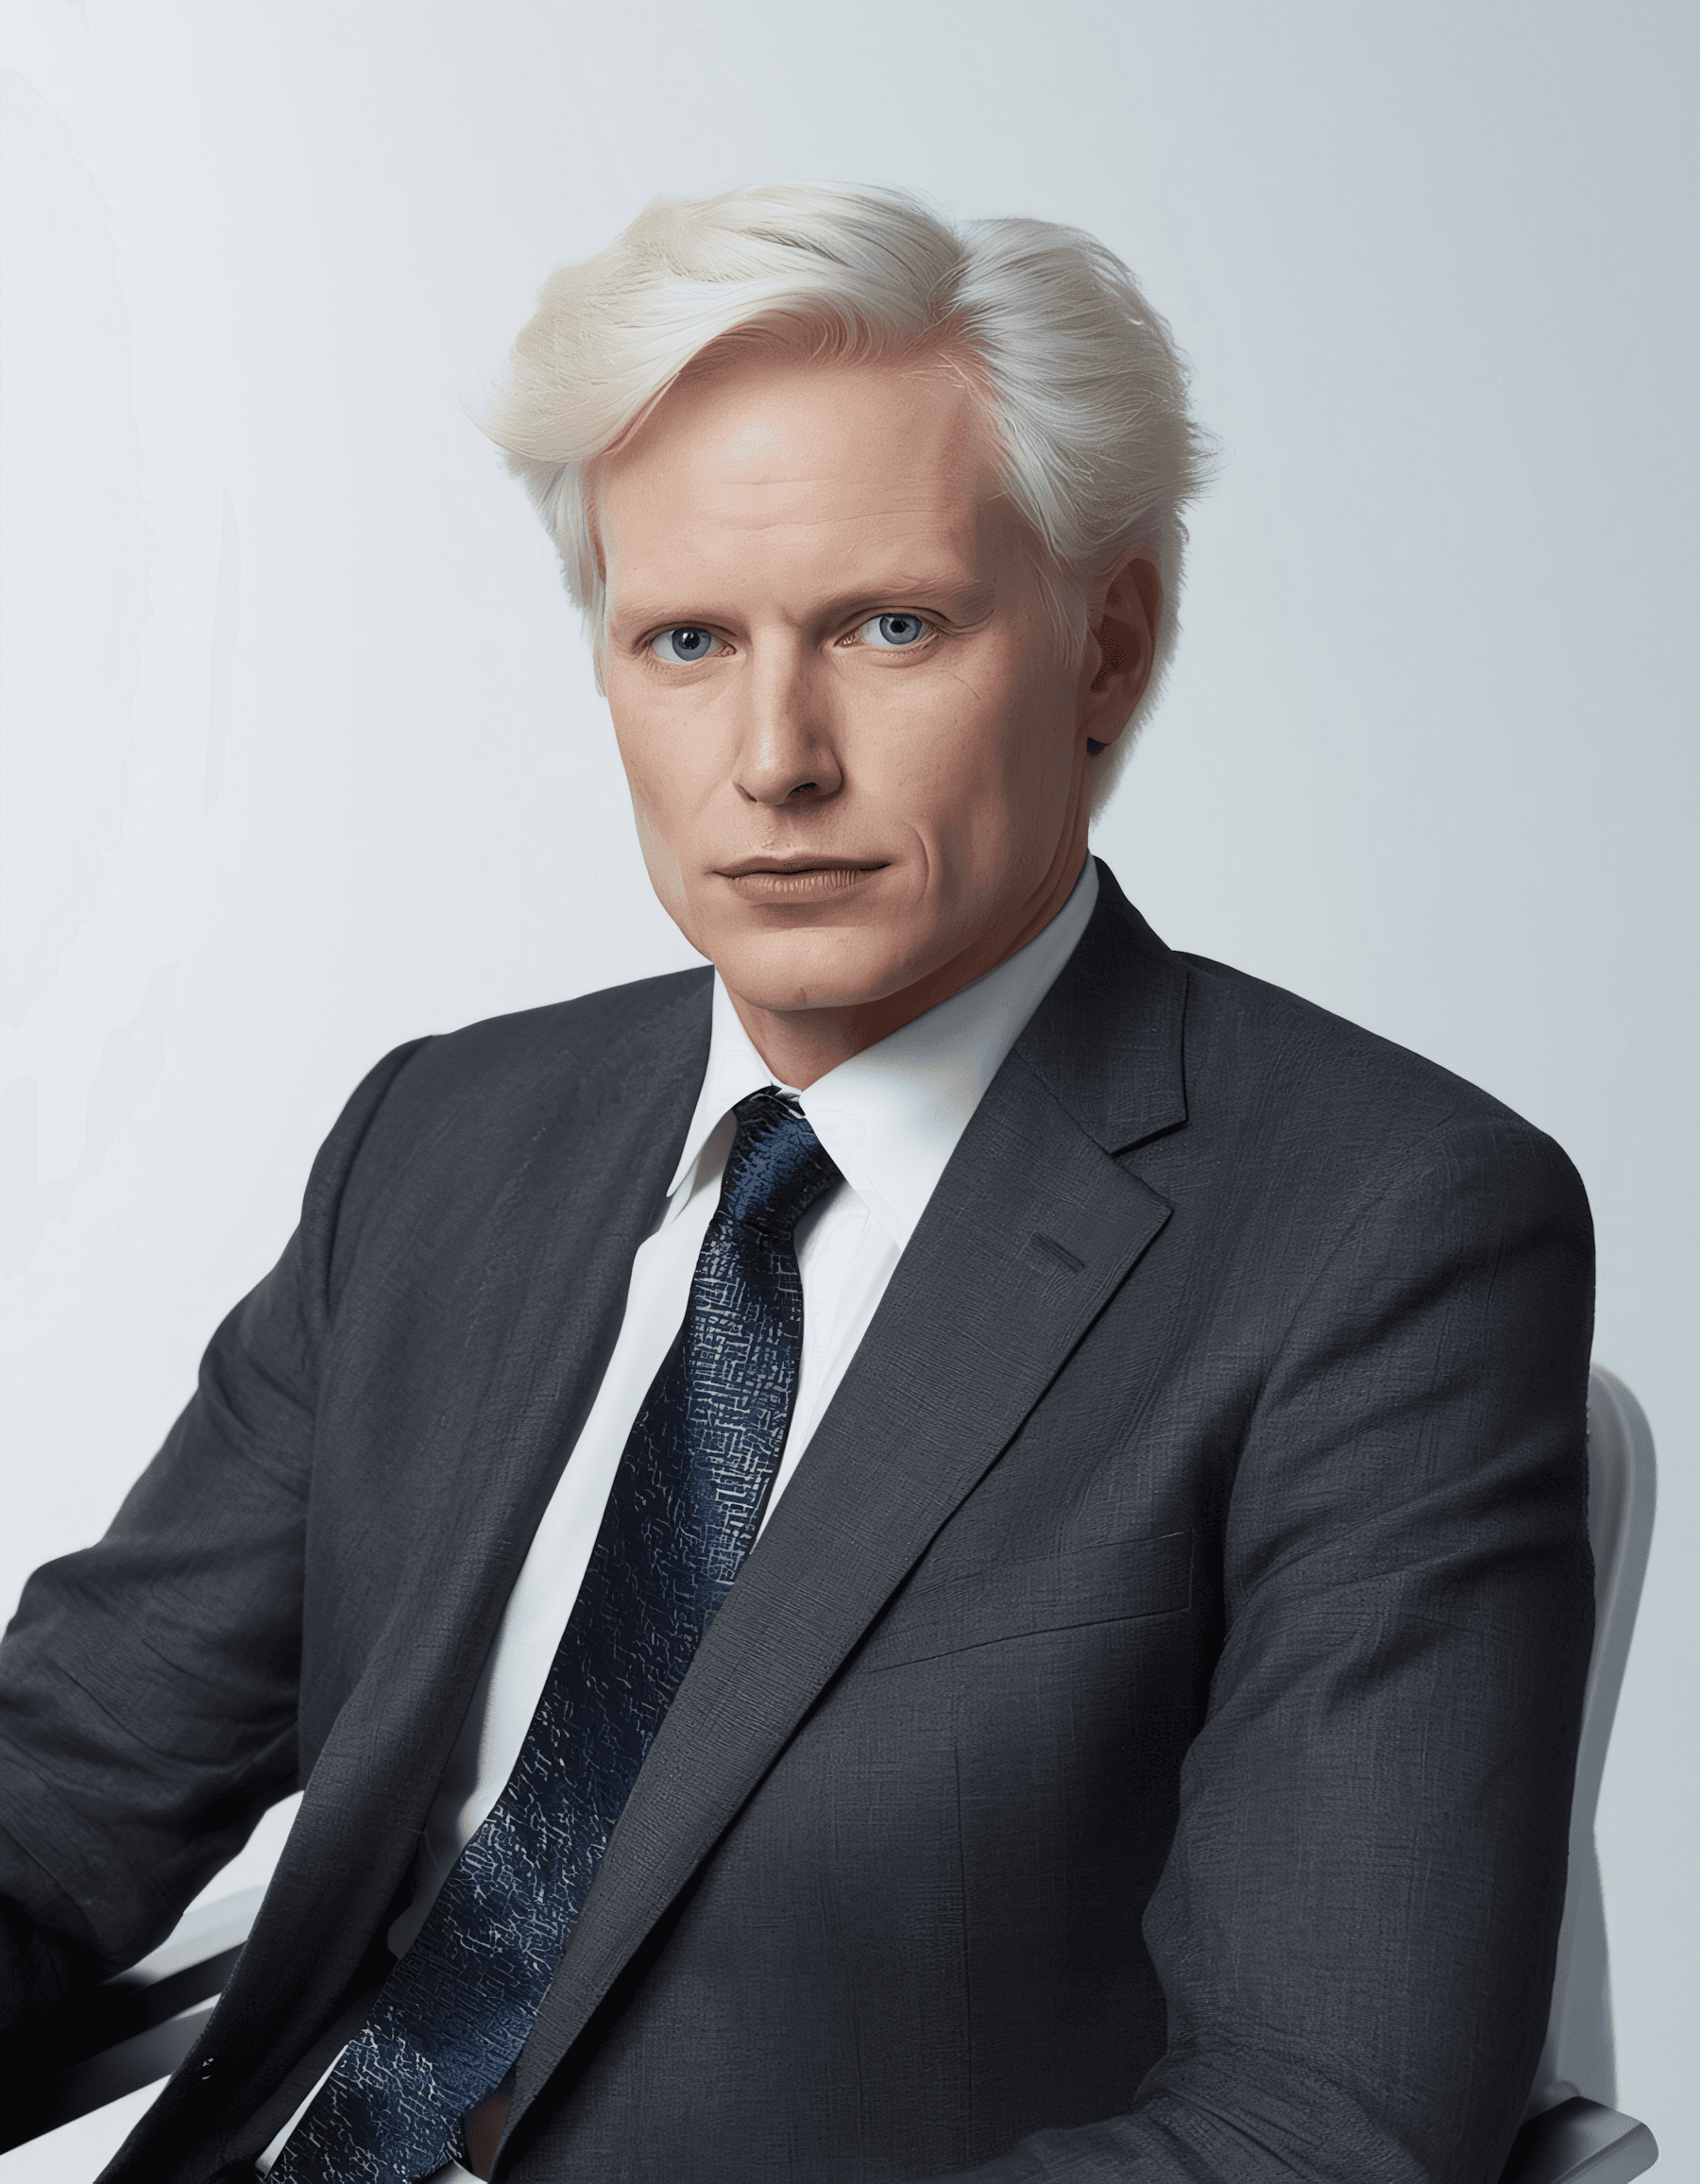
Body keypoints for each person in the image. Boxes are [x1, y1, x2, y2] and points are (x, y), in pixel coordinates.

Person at [0, 186, 1593, 2184]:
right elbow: (60, 1789)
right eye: (685, 639)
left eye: (889, 626)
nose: (774, 756)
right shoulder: (446, 1139)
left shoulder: (1389, 1231)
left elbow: (1326, 2126)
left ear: (1109, 642)